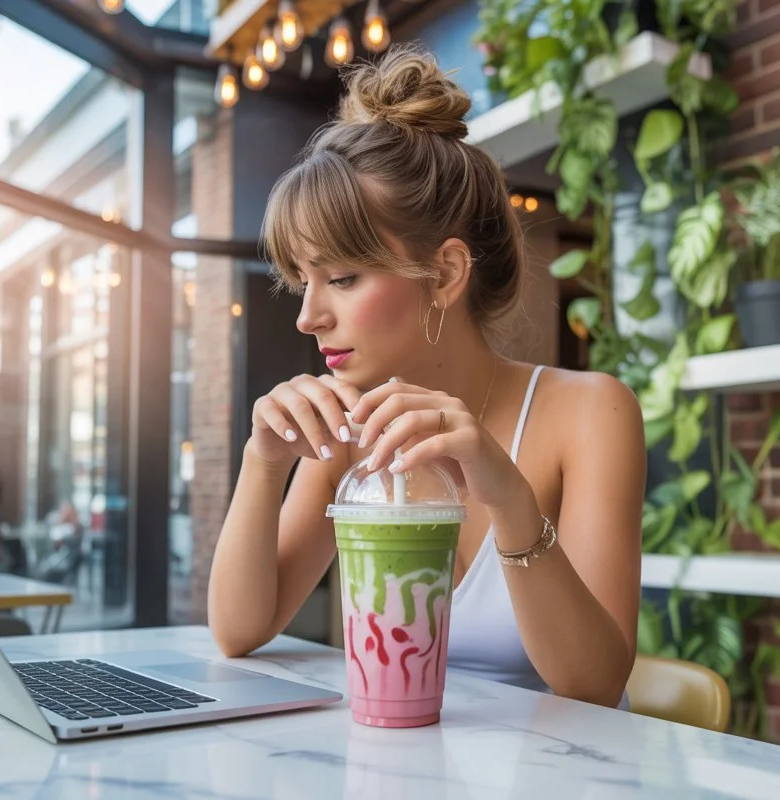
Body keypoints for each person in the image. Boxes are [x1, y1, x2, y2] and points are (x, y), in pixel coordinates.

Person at [206, 46, 645, 710]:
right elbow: (239, 631)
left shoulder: (590, 413)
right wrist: (262, 463)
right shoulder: (354, 430)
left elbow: (595, 682)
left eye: (343, 278)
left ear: (444, 274)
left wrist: (509, 499)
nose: (307, 317)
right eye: (304, 282)